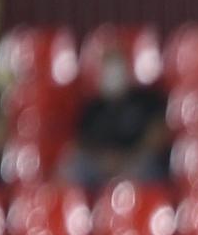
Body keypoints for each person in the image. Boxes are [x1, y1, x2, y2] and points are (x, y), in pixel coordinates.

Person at [66, 49, 168, 186]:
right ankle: (72, 204)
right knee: (75, 165)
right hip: (102, 166)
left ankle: (143, 205)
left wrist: (128, 159)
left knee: (148, 164)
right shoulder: (93, 108)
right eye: (108, 68)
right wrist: (103, 160)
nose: (112, 74)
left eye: (116, 67)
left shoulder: (146, 100)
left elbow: (158, 134)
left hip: (136, 162)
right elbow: (82, 143)